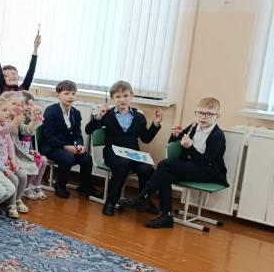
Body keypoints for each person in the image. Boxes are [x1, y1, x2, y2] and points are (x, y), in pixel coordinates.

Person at [121, 97, 227, 229]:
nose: (203, 117)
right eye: (200, 112)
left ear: (217, 116)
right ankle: (166, 216)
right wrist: (175, 136)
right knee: (164, 175)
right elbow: (172, 145)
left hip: (209, 171)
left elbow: (205, 162)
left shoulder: (218, 136)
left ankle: (143, 197)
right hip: (192, 166)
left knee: (165, 164)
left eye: (209, 114)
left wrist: (190, 147)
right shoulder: (194, 126)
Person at [85, 81, 162, 216]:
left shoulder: (139, 117)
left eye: (125, 96)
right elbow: (88, 130)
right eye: (118, 96)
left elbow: (146, 138)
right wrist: (98, 116)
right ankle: (110, 202)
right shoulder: (107, 115)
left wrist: (155, 124)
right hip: (113, 153)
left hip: (133, 154)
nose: (122, 100)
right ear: (112, 98)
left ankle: (144, 201)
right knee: (122, 164)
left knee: (147, 168)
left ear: (131, 96)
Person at [40, 80, 94, 199]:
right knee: (68, 158)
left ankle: (85, 186)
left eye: (73, 94)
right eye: (66, 93)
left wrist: (79, 145)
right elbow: (49, 136)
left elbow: (78, 134)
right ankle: (60, 186)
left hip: (69, 146)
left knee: (86, 158)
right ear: (58, 95)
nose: (70, 97)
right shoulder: (50, 111)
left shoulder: (76, 112)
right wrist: (65, 147)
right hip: (52, 147)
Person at [20, 92, 48, 200]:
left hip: (27, 149)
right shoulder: (21, 120)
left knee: (44, 160)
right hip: (20, 152)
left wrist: (32, 150)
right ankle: (26, 187)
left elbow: (29, 139)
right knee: (37, 162)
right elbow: (22, 136)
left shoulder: (30, 118)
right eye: (28, 105)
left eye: (32, 104)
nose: (31, 108)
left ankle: (36, 185)